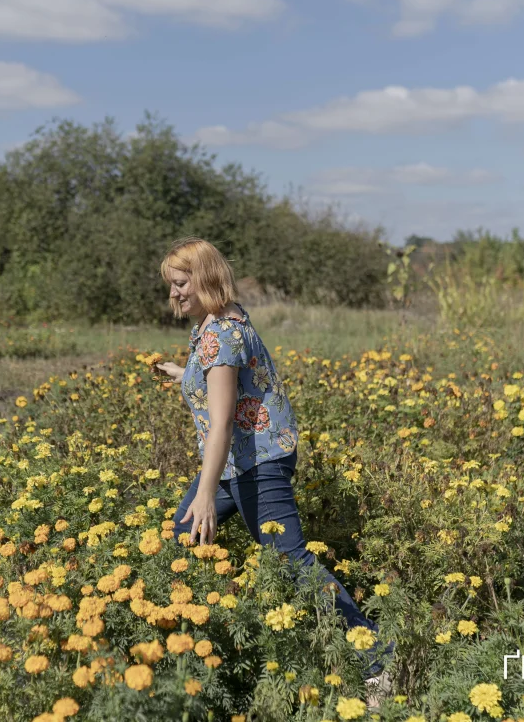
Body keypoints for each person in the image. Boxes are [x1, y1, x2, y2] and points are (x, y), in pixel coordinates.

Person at [153, 237, 395, 705]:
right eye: (171, 286)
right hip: (235, 463)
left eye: (181, 284)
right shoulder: (220, 320)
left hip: (254, 463)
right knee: (178, 539)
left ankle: (379, 661)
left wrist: (205, 496)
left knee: (293, 562)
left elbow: (222, 422)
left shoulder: (221, 337)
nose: (174, 294)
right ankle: (184, 649)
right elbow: (226, 382)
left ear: (205, 280)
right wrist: (182, 373)